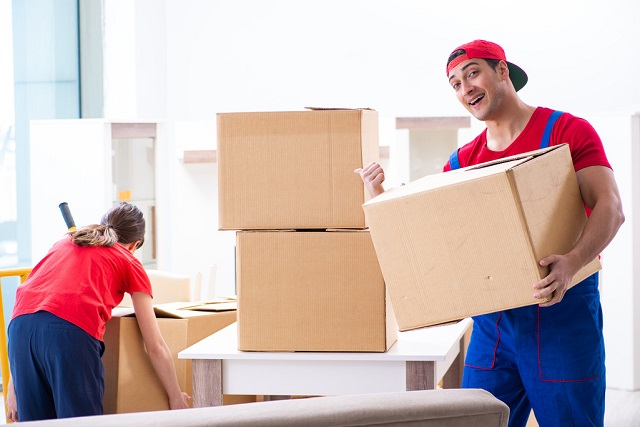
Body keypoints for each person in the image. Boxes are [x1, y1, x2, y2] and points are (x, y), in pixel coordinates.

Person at [356, 40, 624, 427]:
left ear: (502, 71)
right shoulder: (462, 162)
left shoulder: (566, 131)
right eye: (455, 84)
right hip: (493, 328)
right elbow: (435, 239)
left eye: (472, 73)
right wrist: (379, 197)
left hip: (561, 319)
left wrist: (570, 264)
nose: (465, 88)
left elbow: (610, 209)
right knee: (476, 421)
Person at [5, 202, 191, 422]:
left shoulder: (66, 242)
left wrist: (14, 384)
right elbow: (155, 345)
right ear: (135, 244)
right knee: (82, 423)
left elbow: (31, 306)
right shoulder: (128, 260)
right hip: (67, 334)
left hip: (19, 333)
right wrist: (175, 396)